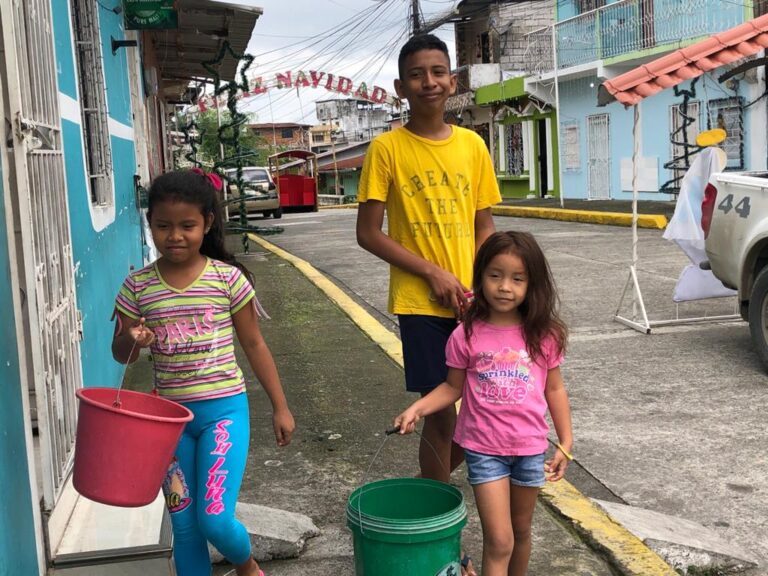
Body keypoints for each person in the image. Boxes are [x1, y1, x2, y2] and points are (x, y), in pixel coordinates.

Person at [357, 34, 500, 574]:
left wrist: (486, 286)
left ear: (453, 81)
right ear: (400, 87)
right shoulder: (387, 149)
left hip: (476, 304)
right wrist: (433, 272)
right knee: (441, 419)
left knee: (488, 411)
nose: (429, 82)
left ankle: (427, 497)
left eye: (439, 71)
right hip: (420, 303)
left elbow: (484, 224)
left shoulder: (473, 146)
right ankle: (437, 532)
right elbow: (368, 233)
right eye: (417, 74)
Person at [112, 169, 295, 576]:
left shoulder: (227, 279)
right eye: (163, 226)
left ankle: (247, 567)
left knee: (214, 519)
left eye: (187, 226)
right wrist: (134, 338)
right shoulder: (137, 287)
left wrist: (280, 407)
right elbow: (119, 350)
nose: (174, 235)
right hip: (170, 425)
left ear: (207, 223)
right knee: (185, 526)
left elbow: (255, 344)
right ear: (150, 224)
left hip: (224, 415)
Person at [394, 231, 573, 576]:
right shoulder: (466, 334)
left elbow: (554, 390)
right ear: (480, 279)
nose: (505, 287)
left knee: (521, 534)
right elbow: (451, 388)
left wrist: (565, 443)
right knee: (500, 540)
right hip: (484, 450)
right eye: (495, 276)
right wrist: (417, 408)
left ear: (532, 284)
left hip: (530, 449)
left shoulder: (544, 334)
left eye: (517, 279)